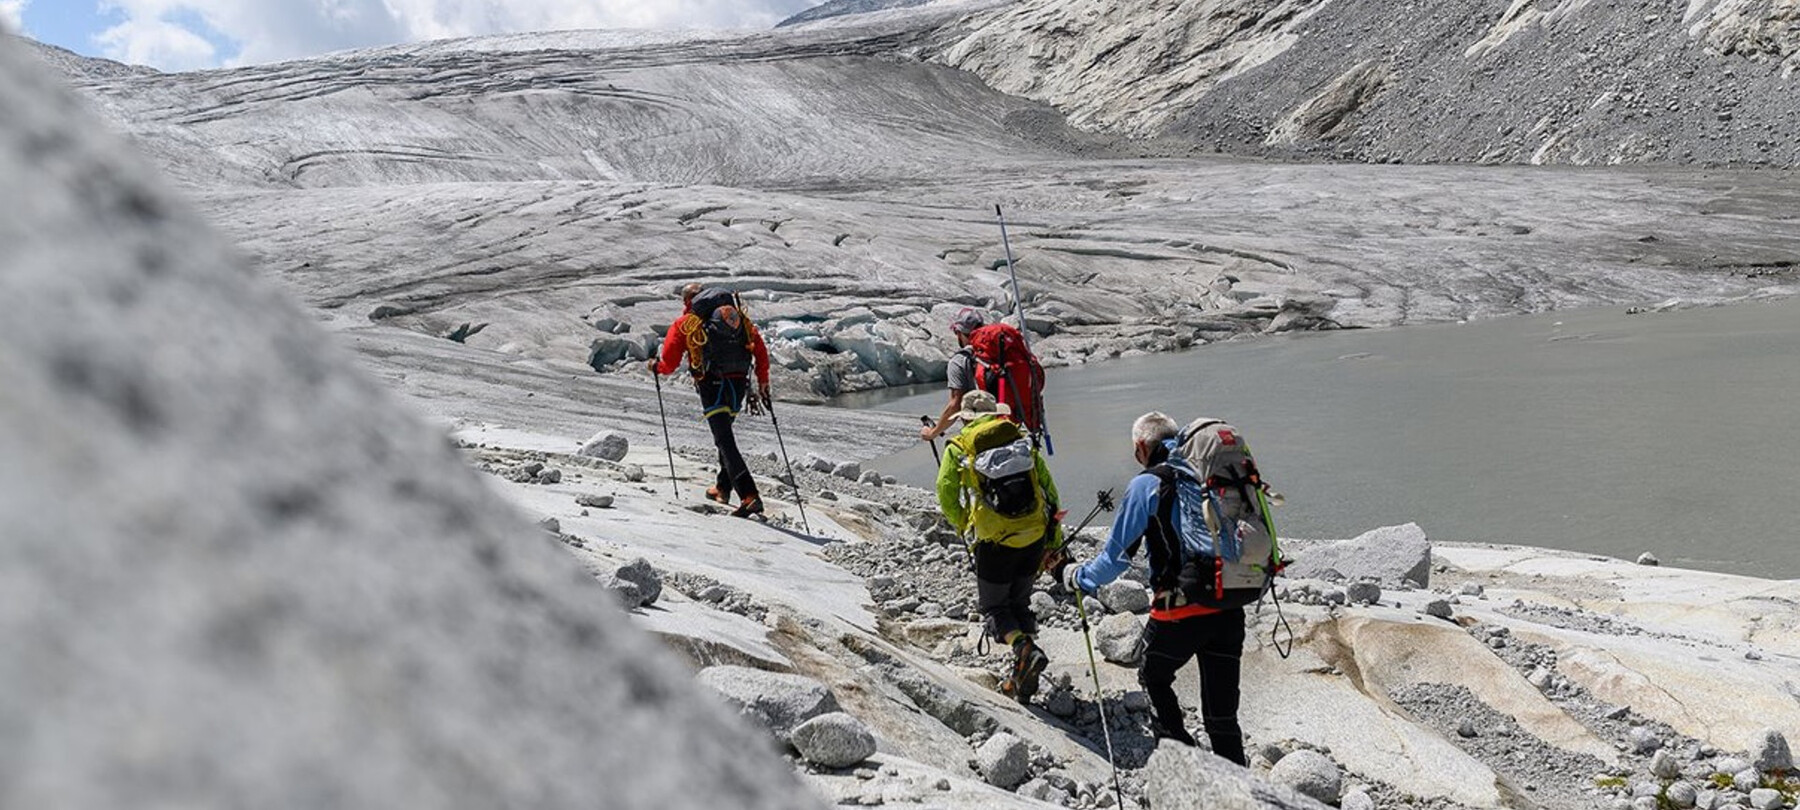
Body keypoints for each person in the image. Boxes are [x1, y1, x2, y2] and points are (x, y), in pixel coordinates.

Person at [1059, 411, 1249, 765]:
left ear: (1140, 448)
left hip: (1179, 610)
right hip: (1230, 604)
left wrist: (1077, 577)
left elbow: (1115, 560)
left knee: (1152, 674)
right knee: (1222, 716)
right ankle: (1243, 792)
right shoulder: (1210, 474)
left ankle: (1182, 760)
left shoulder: (1146, 484)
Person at [936, 390, 1062, 701]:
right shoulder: (1020, 438)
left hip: (995, 542)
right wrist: (1053, 539)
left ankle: (1023, 649)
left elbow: (945, 492)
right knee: (1019, 605)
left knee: (994, 607)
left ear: (965, 418)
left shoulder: (959, 447)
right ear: (995, 413)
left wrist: (965, 522)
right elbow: (1048, 489)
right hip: (1033, 535)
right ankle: (1022, 674)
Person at [649, 287, 771, 518]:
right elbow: (760, 348)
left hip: (712, 385)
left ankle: (749, 495)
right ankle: (722, 488)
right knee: (724, 437)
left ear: (687, 300)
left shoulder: (687, 322)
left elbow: (670, 363)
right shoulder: (738, 319)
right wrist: (763, 380)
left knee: (724, 440)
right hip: (738, 384)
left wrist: (656, 367)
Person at [920, 307, 987, 443]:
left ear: (959, 332)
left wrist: (932, 432)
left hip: (980, 434)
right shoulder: (998, 352)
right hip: (1010, 427)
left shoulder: (959, 361)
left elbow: (955, 404)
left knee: (951, 455)